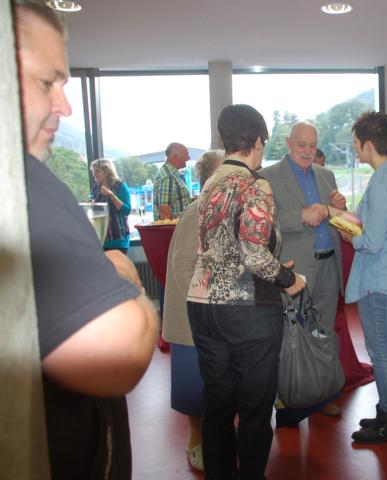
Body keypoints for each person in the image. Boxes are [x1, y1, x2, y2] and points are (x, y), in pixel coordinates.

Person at [14, 1, 159, 477]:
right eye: (47, 82)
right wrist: (126, 283)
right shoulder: (18, 182)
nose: (66, 106)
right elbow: (119, 351)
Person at [186, 104, 305, 480]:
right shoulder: (255, 184)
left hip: (203, 304)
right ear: (257, 141)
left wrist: (270, 265)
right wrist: (287, 278)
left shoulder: (210, 183)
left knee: (218, 404)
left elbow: (225, 247)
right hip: (247, 308)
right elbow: (254, 253)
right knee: (255, 409)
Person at [261, 121, 347, 418]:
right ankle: (287, 396)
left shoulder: (326, 175)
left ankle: (322, 394)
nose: (308, 151)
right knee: (291, 335)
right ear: (288, 143)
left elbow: (336, 217)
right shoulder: (267, 177)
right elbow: (264, 222)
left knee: (323, 332)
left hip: (328, 265)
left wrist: (338, 207)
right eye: (302, 145)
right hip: (294, 270)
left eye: (312, 145)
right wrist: (300, 216)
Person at [337, 112, 387, 443]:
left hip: (379, 276)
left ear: (369, 144)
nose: (354, 149)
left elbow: (372, 241)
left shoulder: (382, 182)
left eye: (356, 143)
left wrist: (348, 235)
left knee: (382, 351)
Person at [162, 149, 224, 472]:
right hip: (194, 316)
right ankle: (194, 441)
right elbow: (184, 267)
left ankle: (214, 437)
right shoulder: (198, 210)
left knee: (213, 383)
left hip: (212, 313)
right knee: (193, 384)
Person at [90, 158, 132, 253]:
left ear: (106, 171)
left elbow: (127, 211)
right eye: (93, 171)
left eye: (97, 171)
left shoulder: (120, 186)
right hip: (101, 240)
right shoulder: (95, 188)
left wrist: (111, 195)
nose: (94, 174)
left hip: (118, 239)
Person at [153, 141, 192, 220]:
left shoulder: (170, 174)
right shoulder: (168, 177)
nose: (188, 158)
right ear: (175, 157)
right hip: (176, 227)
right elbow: (165, 214)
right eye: (186, 155)